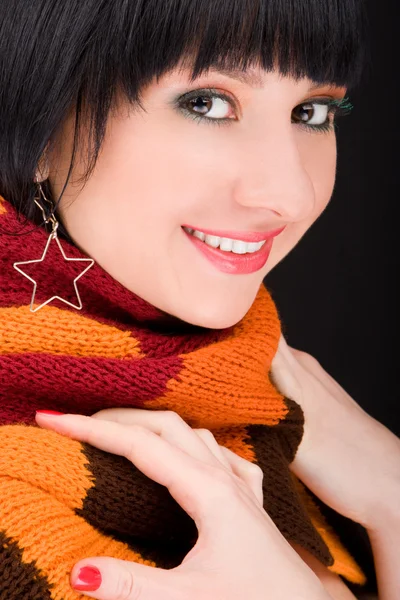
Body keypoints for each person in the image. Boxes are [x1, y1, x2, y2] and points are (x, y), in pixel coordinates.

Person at [0, 1, 399, 599]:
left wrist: (392, 498)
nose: (289, 193)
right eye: (206, 103)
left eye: (311, 112)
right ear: (38, 125)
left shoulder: (273, 411)